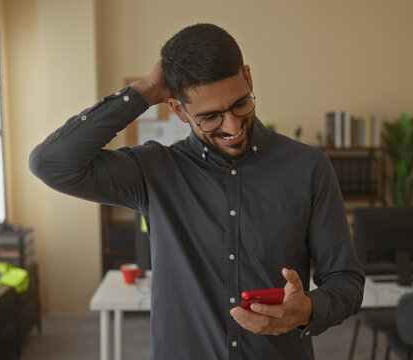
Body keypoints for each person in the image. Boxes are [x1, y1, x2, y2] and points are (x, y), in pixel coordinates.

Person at [30, 23, 364, 360]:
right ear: (178, 109)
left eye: (240, 104)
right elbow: (51, 163)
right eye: (210, 117)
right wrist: (144, 91)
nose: (232, 127)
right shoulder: (154, 171)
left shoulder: (309, 167)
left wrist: (306, 309)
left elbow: (346, 281)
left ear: (249, 79)